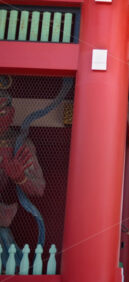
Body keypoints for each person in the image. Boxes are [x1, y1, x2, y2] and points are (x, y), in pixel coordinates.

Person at [0, 91, 46, 265]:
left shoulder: (20, 145)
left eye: (2, 113)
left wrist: (20, 179)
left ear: (11, 114)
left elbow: (39, 188)